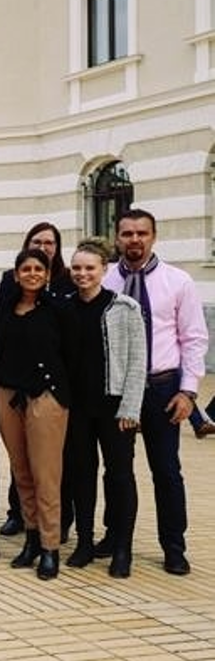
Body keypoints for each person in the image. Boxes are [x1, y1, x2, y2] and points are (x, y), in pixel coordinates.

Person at [99, 209, 208, 575]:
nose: (135, 240)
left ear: (153, 236)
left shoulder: (178, 281)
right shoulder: (105, 279)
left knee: (166, 471)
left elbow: (193, 339)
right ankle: (115, 537)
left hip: (162, 389)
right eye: (127, 233)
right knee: (116, 470)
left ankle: (174, 547)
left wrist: (188, 392)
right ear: (117, 238)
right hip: (117, 391)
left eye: (142, 233)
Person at [0, 248, 78, 580]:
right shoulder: (5, 308)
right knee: (21, 471)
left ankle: (50, 546)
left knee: (46, 474)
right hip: (8, 395)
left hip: (45, 396)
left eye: (38, 269)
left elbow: (71, 355)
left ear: (47, 274)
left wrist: (62, 394)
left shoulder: (59, 309)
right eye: (25, 269)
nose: (32, 274)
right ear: (16, 275)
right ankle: (30, 538)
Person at [65, 238, 145, 577]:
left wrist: (131, 408)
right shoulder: (64, 308)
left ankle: (122, 547)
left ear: (104, 269)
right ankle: (84, 542)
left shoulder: (124, 308)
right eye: (77, 268)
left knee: (120, 476)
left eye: (89, 268)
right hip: (77, 409)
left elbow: (137, 361)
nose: (82, 274)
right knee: (81, 475)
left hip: (114, 409)